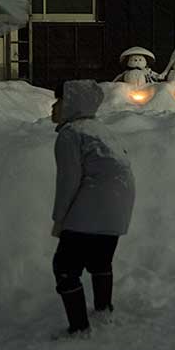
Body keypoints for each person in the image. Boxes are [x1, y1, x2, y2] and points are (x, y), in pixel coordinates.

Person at [51, 79, 135, 336]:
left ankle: (78, 329)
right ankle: (103, 309)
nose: (53, 107)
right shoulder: (101, 130)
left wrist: (59, 219)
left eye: (59, 101)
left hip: (91, 208)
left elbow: (68, 181)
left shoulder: (71, 134)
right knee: (100, 261)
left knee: (65, 268)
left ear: (72, 105)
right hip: (118, 210)